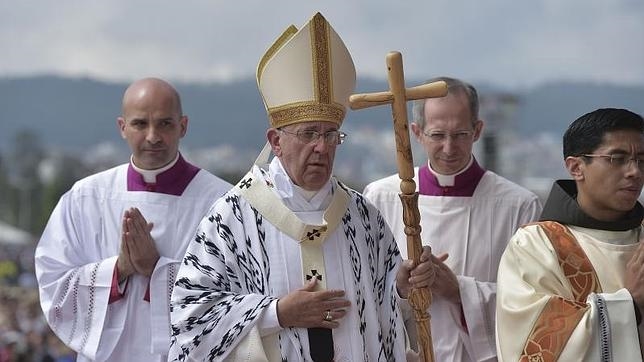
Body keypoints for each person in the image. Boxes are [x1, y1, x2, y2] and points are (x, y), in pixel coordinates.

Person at [168, 12, 433, 362]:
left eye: (330, 134)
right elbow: (190, 314)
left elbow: (383, 310)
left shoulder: (362, 217)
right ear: (275, 141)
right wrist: (277, 313)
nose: (322, 147)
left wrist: (402, 285)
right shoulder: (232, 218)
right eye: (308, 134)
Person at [34, 77, 232, 361]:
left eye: (165, 123)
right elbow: (53, 284)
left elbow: (235, 297)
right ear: (122, 127)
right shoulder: (86, 197)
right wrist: (118, 270)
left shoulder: (223, 203)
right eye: (140, 124)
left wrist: (157, 268)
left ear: (183, 126)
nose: (153, 136)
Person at [363, 76, 543, 361]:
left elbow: (533, 305)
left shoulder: (518, 206)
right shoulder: (380, 198)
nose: (449, 148)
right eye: (437, 135)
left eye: (460, 134)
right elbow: (362, 292)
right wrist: (400, 288)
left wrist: (459, 291)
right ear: (417, 132)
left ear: (478, 130)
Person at [496, 108, 644, 361]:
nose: (635, 172)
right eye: (617, 159)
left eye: (642, 160)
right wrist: (629, 305)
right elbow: (531, 347)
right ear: (576, 167)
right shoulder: (537, 246)